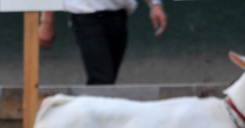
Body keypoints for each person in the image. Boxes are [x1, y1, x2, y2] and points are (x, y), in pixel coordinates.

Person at [39, 0, 168, 85]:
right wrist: (46, 22)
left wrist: (155, 5)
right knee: (101, 79)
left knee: (108, 81)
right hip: (86, 17)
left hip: (119, 16)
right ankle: (89, 123)